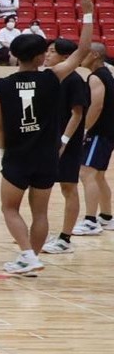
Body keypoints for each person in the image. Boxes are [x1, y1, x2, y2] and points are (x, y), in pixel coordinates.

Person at [41, 37, 92, 257]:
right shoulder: (51, 79)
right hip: (49, 141)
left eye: (52, 52)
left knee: (68, 188)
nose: (47, 55)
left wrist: (63, 141)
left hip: (66, 144)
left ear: (65, 57)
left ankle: (65, 238)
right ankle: (40, 235)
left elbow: (77, 114)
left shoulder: (74, 81)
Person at [75, 43, 114, 238]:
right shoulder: (107, 73)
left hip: (98, 132)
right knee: (98, 175)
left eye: (84, 53)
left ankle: (90, 221)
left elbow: (96, 107)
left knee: (86, 173)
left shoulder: (96, 77)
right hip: (107, 132)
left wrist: (84, 130)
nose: (80, 56)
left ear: (95, 55)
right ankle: (106, 217)